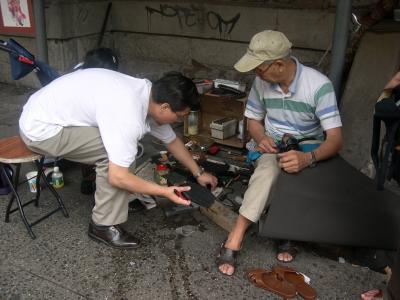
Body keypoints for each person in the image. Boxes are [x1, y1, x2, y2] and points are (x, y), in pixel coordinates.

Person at [19, 70, 217, 249]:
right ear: (165, 107)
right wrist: (165, 191)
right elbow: (118, 177)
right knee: (119, 157)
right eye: (179, 117)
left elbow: (171, 140)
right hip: (42, 130)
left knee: (123, 149)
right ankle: (102, 225)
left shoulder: (147, 94)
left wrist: (198, 172)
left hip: (46, 111)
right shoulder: (127, 114)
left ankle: (112, 198)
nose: (179, 122)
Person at [216, 30, 343, 275]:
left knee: (299, 174)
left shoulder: (318, 86)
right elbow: (253, 120)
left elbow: (336, 140)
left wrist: (308, 158)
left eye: (259, 68)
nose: (256, 74)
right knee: (268, 170)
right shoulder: (262, 83)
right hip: (274, 144)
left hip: (308, 146)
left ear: (279, 64)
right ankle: (236, 234)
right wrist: (262, 138)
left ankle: (287, 231)